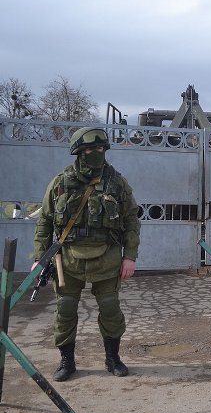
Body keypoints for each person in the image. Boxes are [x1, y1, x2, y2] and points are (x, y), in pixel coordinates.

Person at [32, 127, 140, 381]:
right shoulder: (60, 183)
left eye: (100, 149)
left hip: (107, 257)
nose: (96, 154)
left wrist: (130, 256)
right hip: (67, 260)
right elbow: (45, 221)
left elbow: (132, 220)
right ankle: (67, 361)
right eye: (90, 150)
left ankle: (113, 358)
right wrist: (40, 257)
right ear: (78, 153)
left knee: (110, 308)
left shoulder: (117, 183)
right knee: (65, 309)